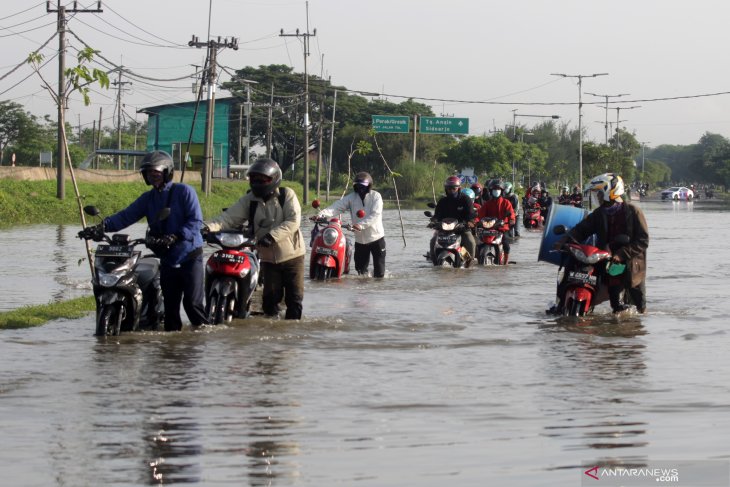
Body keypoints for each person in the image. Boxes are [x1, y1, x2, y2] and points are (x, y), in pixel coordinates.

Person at [80, 150, 209, 331]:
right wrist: (101, 227)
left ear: (166, 172)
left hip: (189, 255)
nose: (152, 177)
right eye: (149, 173)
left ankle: (203, 339)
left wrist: (176, 236)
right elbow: (125, 216)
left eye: (156, 173)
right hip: (168, 257)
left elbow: (195, 221)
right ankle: (171, 349)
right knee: (171, 311)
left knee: (192, 304)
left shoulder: (184, 192)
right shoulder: (148, 198)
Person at [205, 158, 305, 319]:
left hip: (293, 256)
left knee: (295, 300)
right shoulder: (249, 200)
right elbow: (228, 218)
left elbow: (293, 221)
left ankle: (290, 339)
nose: (257, 183)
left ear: (274, 180)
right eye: (254, 179)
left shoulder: (287, 195)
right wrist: (207, 228)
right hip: (268, 259)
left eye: (262, 179)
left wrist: (271, 236)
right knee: (269, 302)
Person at [551, 173, 649, 314]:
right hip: (605, 257)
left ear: (610, 192)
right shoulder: (599, 213)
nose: (597, 197)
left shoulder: (633, 212)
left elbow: (643, 240)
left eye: (599, 193)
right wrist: (563, 241)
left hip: (629, 262)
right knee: (574, 269)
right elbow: (581, 229)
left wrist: (622, 254)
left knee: (639, 305)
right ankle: (561, 305)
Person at [315, 171, 386, 278]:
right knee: (361, 273)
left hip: (376, 238)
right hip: (360, 240)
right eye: (358, 187)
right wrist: (321, 215)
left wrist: (360, 225)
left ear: (369, 187)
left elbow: (375, 215)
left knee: (379, 274)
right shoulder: (352, 197)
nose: (360, 190)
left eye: (363, 187)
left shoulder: (376, 196)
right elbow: (337, 206)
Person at [430, 175, 477, 266]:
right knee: (433, 240)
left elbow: (471, 214)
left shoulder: (465, 199)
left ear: (458, 188)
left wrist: (469, 222)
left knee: (471, 242)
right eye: (449, 188)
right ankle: (434, 262)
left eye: (453, 188)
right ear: (446, 189)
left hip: (461, 228)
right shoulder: (443, 201)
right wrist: (433, 221)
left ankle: (468, 262)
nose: (451, 190)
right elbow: (437, 215)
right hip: (444, 228)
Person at [476, 180, 516, 264]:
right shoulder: (487, 204)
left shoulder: (506, 203)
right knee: (479, 242)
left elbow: (511, 213)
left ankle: (505, 262)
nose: (496, 191)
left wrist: (511, 220)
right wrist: (475, 221)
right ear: (491, 191)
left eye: (498, 189)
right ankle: (477, 260)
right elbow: (480, 215)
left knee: (506, 245)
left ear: (501, 191)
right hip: (488, 228)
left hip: (502, 228)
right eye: (494, 189)